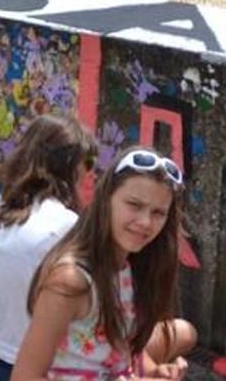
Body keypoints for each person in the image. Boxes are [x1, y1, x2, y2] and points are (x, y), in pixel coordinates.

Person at [13, 147, 197, 381]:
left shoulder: (128, 267)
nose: (145, 222)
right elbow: (24, 376)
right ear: (106, 197)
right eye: (134, 205)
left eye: (158, 213)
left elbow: (119, 350)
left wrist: (154, 371)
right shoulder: (71, 279)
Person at [0, 114, 98, 381]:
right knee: (180, 334)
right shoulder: (67, 226)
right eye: (88, 164)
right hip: (19, 366)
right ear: (72, 168)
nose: (90, 173)